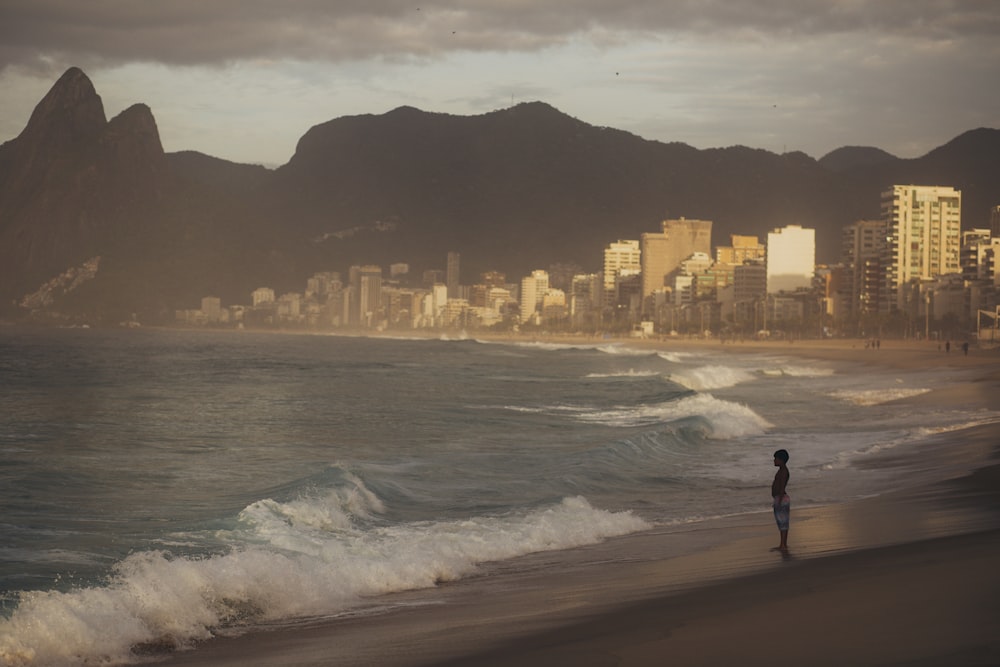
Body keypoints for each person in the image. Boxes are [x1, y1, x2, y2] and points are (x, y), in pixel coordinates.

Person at [771, 449, 790, 552]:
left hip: (781, 498)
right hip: (780, 498)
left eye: (775, 459)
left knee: (783, 522)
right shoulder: (781, 470)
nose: (774, 461)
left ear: (781, 460)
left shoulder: (783, 471)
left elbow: (782, 486)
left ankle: (783, 544)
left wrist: (779, 500)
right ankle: (783, 544)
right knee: (782, 522)